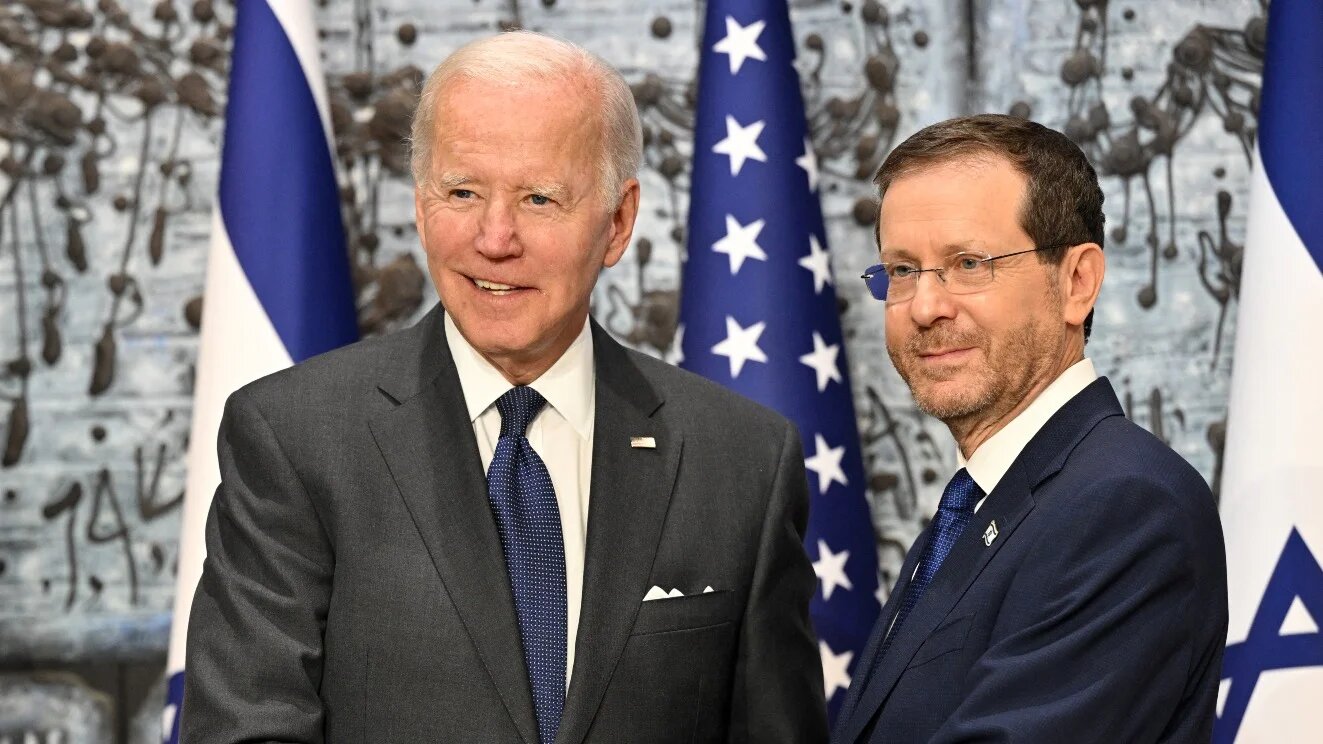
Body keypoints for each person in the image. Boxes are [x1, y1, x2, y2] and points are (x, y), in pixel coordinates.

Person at [182, 31, 827, 744]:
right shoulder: (294, 436)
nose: (494, 238)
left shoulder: (740, 458)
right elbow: (246, 728)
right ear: (422, 207)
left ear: (617, 222)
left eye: (539, 199)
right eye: (461, 191)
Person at [831, 114, 1227, 743]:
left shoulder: (1126, 506)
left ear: (1077, 282)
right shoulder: (981, 502)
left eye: (968, 264)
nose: (927, 307)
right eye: (902, 271)